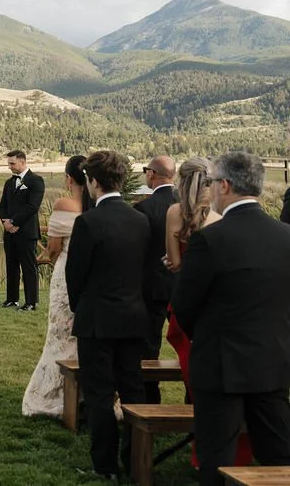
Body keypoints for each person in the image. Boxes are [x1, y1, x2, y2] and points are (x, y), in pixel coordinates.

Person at [171, 152, 290, 486]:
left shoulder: (210, 240)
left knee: (217, 456)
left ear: (224, 186)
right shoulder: (286, 236)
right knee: (278, 453)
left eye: (211, 183)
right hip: (274, 361)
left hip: (220, 364)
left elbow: (184, 304)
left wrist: (206, 335)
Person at [66, 150, 152, 479]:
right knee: (133, 390)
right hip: (133, 318)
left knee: (100, 393)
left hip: (98, 320)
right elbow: (144, 272)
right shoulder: (140, 219)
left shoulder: (88, 222)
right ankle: (135, 459)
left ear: (94, 182)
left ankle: (105, 466)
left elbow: (76, 277)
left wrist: (81, 308)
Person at [163, 156, 253, 470]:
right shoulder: (219, 217)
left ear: (181, 181)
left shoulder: (175, 213)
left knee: (194, 377)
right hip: (213, 308)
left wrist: (174, 262)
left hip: (184, 305)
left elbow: (175, 264)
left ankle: (203, 450)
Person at [22, 155, 91, 418]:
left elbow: (53, 247)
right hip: (89, 276)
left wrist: (46, 257)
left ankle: (54, 395)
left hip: (65, 273)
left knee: (60, 334)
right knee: (80, 334)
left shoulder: (65, 203)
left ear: (69, 179)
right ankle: (84, 394)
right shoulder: (95, 206)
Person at [133, 155, 177, 404]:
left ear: (152, 174)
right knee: (190, 345)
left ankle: (150, 399)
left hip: (150, 287)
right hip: (181, 286)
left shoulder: (143, 209)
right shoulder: (187, 205)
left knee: (148, 348)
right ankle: (192, 399)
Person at [0, 150, 45, 311]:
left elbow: (33, 206)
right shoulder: (9, 183)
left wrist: (14, 221)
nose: (9, 167)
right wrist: (6, 223)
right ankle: (12, 299)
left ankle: (31, 302)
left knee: (29, 267)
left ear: (23, 162)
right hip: (9, 232)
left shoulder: (36, 181)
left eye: (12, 163)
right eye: (8, 163)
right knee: (11, 266)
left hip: (26, 232)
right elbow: (2, 206)